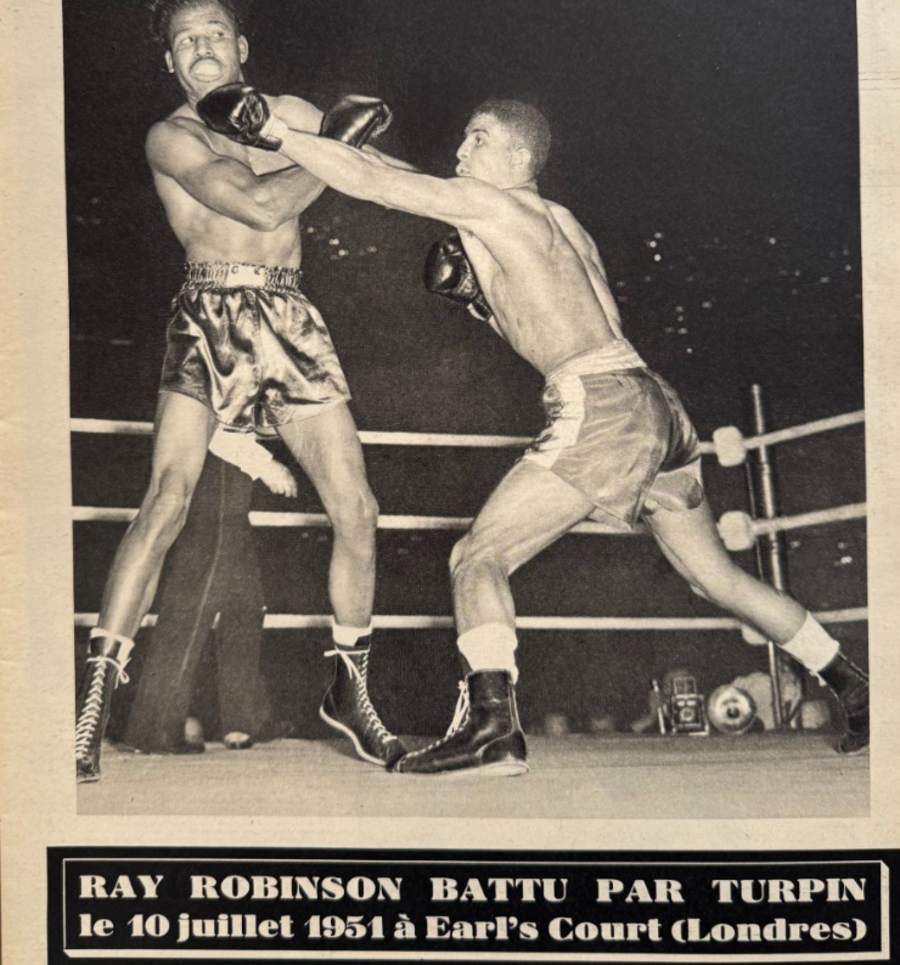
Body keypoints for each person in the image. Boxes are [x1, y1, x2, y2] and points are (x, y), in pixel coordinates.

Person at [196, 88, 870, 777]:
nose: (461, 151)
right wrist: (482, 306)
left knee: (476, 557)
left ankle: (494, 729)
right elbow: (551, 312)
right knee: (714, 578)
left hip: (603, 407)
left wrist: (273, 128)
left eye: (478, 138)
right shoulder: (560, 220)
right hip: (656, 405)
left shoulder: (495, 205)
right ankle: (854, 684)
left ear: (517, 155)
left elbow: (381, 185)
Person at [74, 0, 406, 783]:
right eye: (185, 41)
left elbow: (382, 174)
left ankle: (351, 688)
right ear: (172, 63)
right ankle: (92, 703)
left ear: (240, 46)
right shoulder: (170, 136)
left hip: (292, 316)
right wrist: (340, 149)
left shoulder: (287, 113)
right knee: (168, 501)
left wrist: (481, 218)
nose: (202, 46)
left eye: (214, 32)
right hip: (210, 316)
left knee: (358, 507)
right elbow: (258, 206)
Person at [123, 430, 295, 756]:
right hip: (216, 462)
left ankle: (242, 718)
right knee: (196, 589)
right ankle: (155, 725)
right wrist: (265, 464)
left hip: (224, 463)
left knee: (245, 596)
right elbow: (209, 420)